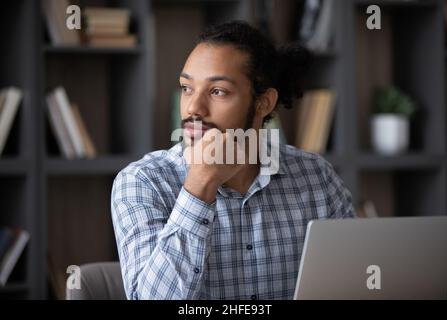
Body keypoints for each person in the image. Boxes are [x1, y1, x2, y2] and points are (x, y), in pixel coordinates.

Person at [111, 21, 355, 300]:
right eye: (187, 88)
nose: (193, 107)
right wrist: (199, 188)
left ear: (264, 103)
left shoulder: (317, 177)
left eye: (217, 91)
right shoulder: (141, 182)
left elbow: (357, 282)